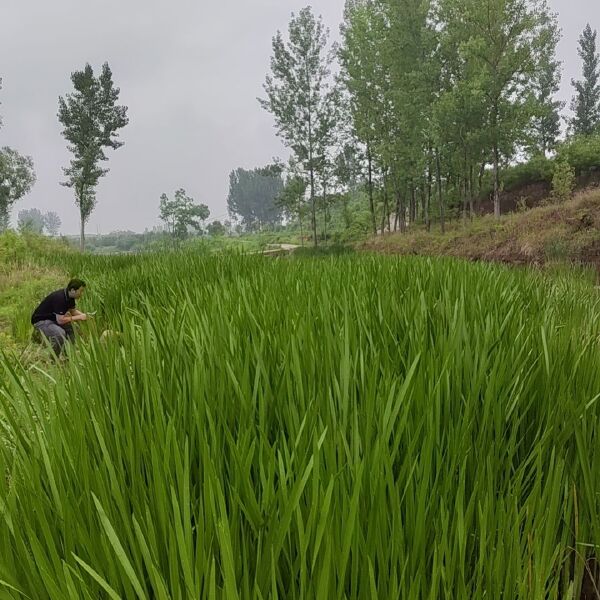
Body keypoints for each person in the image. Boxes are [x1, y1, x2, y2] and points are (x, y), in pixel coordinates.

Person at [31, 279, 88, 357]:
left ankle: (68, 355)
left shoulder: (70, 297)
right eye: (80, 291)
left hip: (53, 319)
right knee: (60, 333)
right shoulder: (60, 298)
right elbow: (61, 321)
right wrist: (79, 317)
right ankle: (54, 359)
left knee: (72, 330)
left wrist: (86, 316)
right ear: (73, 290)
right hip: (41, 321)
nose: (81, 294)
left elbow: (73, 311)